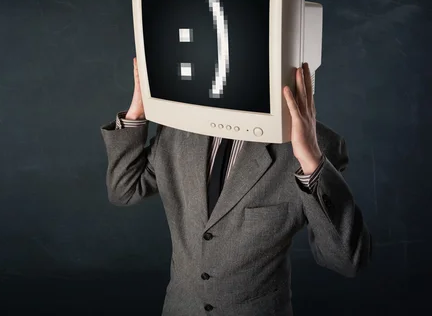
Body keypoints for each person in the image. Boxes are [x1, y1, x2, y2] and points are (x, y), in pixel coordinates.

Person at [100, 57, 372, 316]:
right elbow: (124, 190)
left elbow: (346, 262)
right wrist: (137, 112)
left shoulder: (317, 145)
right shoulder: (179, 129)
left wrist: (311, 160)